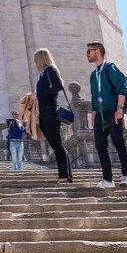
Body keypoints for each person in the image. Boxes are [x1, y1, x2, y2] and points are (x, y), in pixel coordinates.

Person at [87, 42, 127, 188]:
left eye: (89, 51)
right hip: (99, 114)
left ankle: (126, 177)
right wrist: (94, 114)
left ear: (98, 51)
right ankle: (107, 179)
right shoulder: (93, 75)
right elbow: (95, 97)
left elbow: (122, 88)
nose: (87, 54)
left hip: (112, 110)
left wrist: (119, 108)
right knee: (100, 145)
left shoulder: (110, 68)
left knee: (119, 142)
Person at [33, 48, 73, 184]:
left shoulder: (50, 70)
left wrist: (38, 95)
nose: (34, 63)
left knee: (57, 144)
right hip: (44, 111)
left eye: (35, 59)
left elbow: (58, 86)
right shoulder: (43, 73)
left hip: (49, 111)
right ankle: (66, 175)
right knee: (56, 144)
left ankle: (64, 176)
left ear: (40, 59)